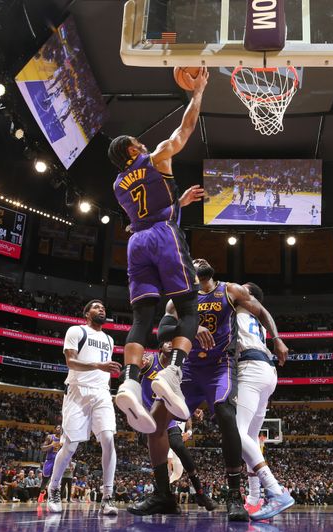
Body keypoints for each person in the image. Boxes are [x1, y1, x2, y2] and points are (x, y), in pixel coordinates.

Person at [135, 259, 286, 521]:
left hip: (220, 367)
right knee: (155, 423)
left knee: (226, 414)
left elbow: (262, 311)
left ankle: (234, 497)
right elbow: (163, 331)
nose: (199, 261)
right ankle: (163, 495)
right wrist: (192, 328)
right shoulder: (178, 300)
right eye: (193, 260)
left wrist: (277, 338)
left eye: (202, 260)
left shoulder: (230, 290)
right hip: (190, 369)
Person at [109, 69, 209, 433]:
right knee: (188, 307)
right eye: (137, 141)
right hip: (163, 235)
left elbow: (146, 210)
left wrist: (176, 202)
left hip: (136, 242)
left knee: (141, 318)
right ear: (133, 150)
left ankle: (131, 382)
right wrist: (196, 94)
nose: (142, 142)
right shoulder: (155, 156)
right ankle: (173, 371)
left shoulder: (118, 184)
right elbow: (185, 129)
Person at [45, 300, 119, 515]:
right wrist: (98, 366)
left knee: (108, 438)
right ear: (87, 314)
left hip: (102, 393)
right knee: (69, 445)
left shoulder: (109, 339)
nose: (102, 309)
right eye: (96, 307)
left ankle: (107, 497)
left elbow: (105, 370)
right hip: (78, 391)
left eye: (103, 307)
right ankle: (54, 488)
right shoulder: (76, 331)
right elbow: (71, 362)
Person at [233, 281, 294, 520]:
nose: (235, 289)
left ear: (249, 296)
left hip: (251, 367)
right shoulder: (255, 317)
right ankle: (254, 498)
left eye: (242, 288)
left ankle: (275, 490)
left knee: (237, 435)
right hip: (266, 372)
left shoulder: (239, 309)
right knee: (250, 440)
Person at [139, 342, 216, 510]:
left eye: (173, 342)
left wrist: (193, 411)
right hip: (148, 416)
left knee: (179, 446)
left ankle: (200, 493)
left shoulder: (178, 369)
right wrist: (138, 364)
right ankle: (164, 495)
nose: (170, 344)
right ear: (159, 347)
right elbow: (131, 369)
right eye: (166, 341)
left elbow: (183, 395)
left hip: (166, 415)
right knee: (159, 458)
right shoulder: (150, 360)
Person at [39, 425, 62, 497]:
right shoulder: (50, 437)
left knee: (56, 480)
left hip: (58, 462)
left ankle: (53, 496)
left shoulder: (63, 439)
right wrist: (51, 445)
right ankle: (41, 495)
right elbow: (42, 448)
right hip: (49, 460)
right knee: (45, 479)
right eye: (58, 427)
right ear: (55, 429)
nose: (59, 429)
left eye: (61, 428)